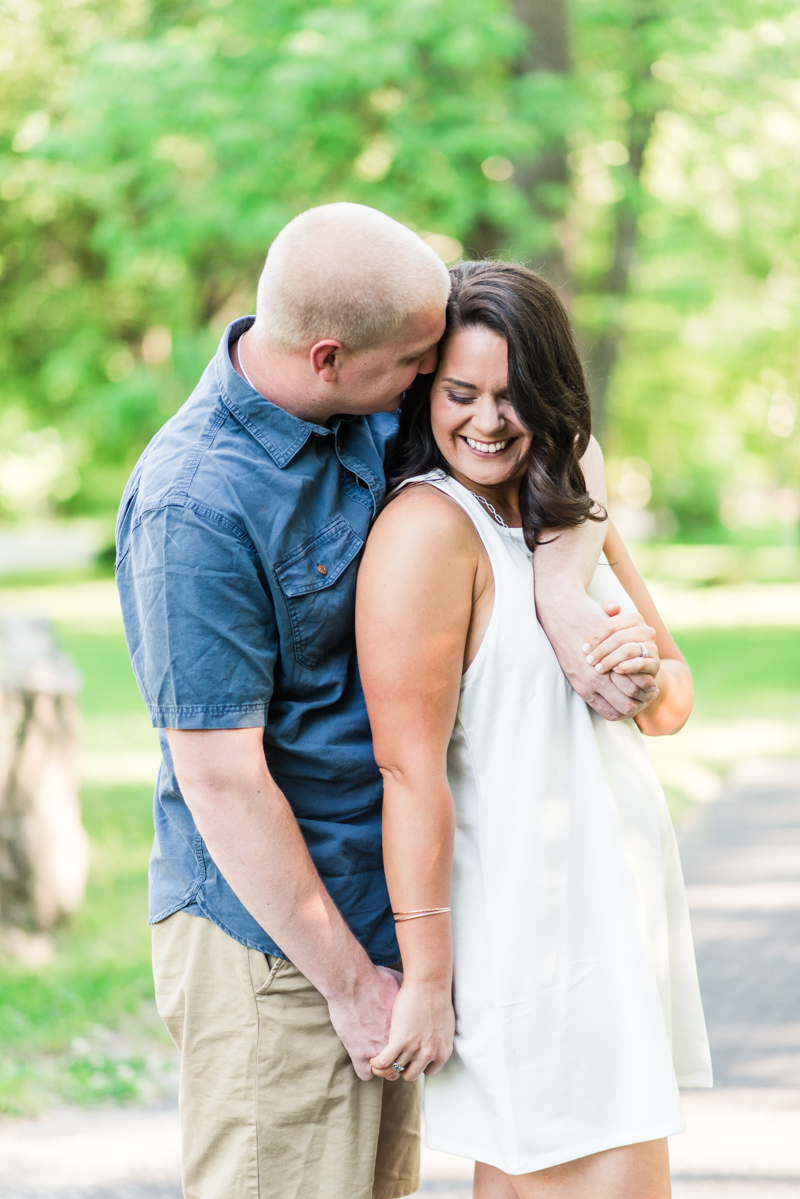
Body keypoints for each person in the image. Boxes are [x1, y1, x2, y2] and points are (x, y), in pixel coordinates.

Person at [116, 204, 658, 1199]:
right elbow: (221, 779)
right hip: (276, 943)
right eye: (419, 366)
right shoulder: (194, 503)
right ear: (328, 355)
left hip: (387, 915)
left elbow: (552, 428)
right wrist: (349, 981)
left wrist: (552, 584)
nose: (429, 383)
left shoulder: (368, 394)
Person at [356, 261, 712, 1199]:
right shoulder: (430, 531)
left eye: (513, 397)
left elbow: (675, 700)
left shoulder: (563, 510)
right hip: (534, 932)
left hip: (611, 915)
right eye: (460, 393)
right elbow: (408, 768)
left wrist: (638, 677)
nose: (485, 420)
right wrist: (428, 976)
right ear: (425, 392)